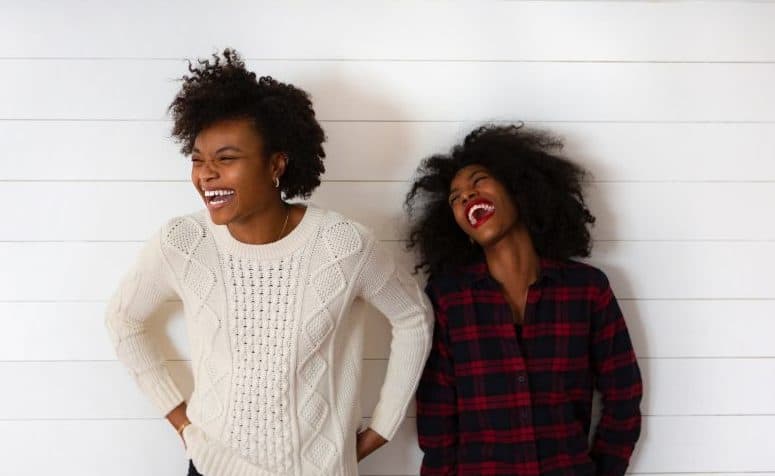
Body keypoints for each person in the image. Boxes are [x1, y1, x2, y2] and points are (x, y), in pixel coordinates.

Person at [105, 49, 433, 476]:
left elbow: (413, 318)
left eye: (226, 159)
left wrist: (383, 428)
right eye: (198, 160)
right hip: (212, 468)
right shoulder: (183, 242)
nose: (206, 175)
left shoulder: (343, 244)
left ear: (276, 164)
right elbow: (123, 320)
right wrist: (183, 423)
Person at [406, 125, 642, 475]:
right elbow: (438, 421)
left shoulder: (587, 290)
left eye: (478, 181)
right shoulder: (448, 299)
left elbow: (623, 396)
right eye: (455, 198)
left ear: (518, 189)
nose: (466, 197)